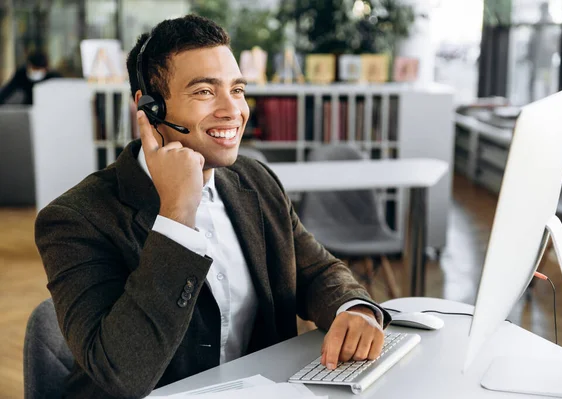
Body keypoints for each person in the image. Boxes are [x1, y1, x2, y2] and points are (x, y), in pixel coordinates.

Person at [35, 14, 391, 398]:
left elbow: (317, 270)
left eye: (236, 90)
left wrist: (354, 309)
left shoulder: (255, 181)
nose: (232, 110)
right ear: (149, 107)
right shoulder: (75, 220)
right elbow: (122, 375)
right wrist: (176, 217)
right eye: (205, 92)